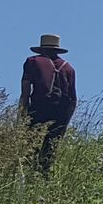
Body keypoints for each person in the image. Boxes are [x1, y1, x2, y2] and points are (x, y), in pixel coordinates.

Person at [20, 32, 77, 173]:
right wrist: (65, 122)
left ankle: (29, 177)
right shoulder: (68, 68)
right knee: (50, 149)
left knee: (31, 146)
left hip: (38, 109)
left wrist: (23, 112)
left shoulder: (32, 62)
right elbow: (73, 99)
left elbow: (25, 90)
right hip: (61, 113)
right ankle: (44, 177)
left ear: (42, 49)